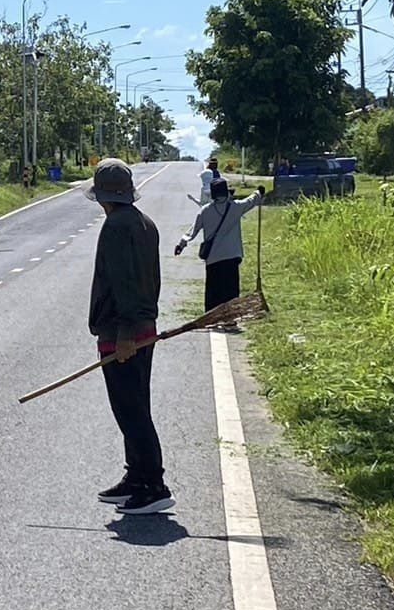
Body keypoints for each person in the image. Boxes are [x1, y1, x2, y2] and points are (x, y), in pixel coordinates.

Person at [86, 157, 174, 516]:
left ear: (102, 195)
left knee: (131, 412)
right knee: (134, 407)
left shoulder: (116, 227)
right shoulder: (144, 222)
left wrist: (124, 334)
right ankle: (136, 476)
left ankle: (153, 484)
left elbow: (125, 285)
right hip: (142, 330)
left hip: (123, 334)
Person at [175, 177, 263, 310]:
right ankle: (230, 317)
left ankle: (211, 318)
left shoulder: (205, 210)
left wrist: (181, 245)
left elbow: (192, 231)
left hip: (213, 260)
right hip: (232, 258)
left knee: (213, 296)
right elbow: (251, 201)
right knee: (231, 295)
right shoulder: (236, 207)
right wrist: (259, 192)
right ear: (226, 193)